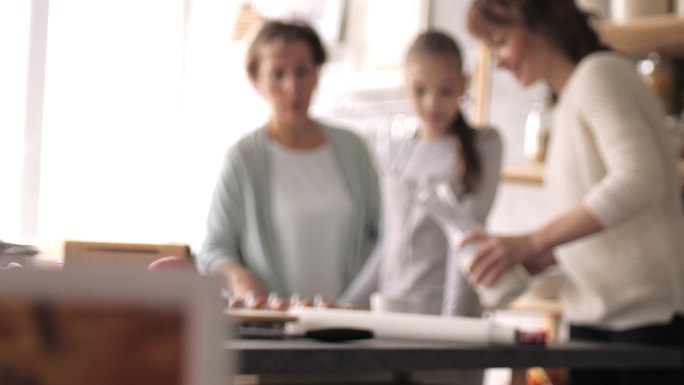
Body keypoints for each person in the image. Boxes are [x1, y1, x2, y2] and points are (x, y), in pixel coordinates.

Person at [464, 1, 684, 384]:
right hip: (599, 319)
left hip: (642, 323)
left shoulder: (600, 75)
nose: (497, 61)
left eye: (499, 41)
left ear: (539, 25)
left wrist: (533, 241)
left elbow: (640, 178)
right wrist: (545, 255)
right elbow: (610, 217)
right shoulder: (570, 98)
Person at [196, 20, 380, 306]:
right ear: (257, 80)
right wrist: (241, 281)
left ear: (317, 74)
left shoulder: (352, 149)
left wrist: (354, 301)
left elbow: (384, 236)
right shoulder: (243, 158)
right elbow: (214, 249)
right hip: (274, 325)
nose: (292, 86)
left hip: (346, 324)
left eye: (302, 71)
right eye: (277, 74)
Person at [340, 31, 502, 318]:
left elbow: (465, 244)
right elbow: (388, 245)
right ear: (406, 87)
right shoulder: (396, 152)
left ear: (463, 84)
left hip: (442, 309)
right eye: (420, 90)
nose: (432, 103)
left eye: (445, 90)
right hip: (390, 308)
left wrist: (453, 323)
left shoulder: (483, 144)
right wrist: (345, 306)